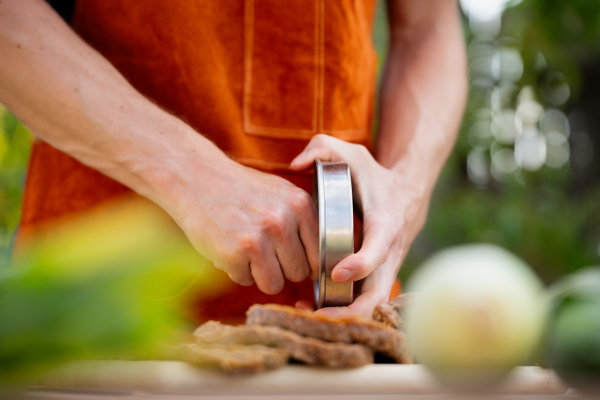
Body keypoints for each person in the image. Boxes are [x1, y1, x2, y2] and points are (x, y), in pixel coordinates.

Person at [0, 0, 467, 321]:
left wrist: (404, 190)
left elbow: (428, 26)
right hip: (99, 281)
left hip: (342, 305)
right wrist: (188, 173)